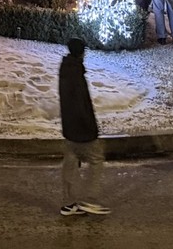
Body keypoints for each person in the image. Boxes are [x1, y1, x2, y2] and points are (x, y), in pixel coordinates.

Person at [57, 37, 108, 216]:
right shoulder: (76, 72)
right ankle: (90, 199)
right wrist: (90, 128)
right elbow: (81, 104)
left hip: (69, 127)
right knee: (96, 160)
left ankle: (68, 203)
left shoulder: (65, 68)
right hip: (81, 129)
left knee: (70, 163)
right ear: (82, 53)